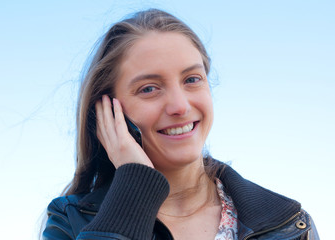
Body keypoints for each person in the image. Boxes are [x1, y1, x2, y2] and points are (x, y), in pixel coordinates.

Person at [42, 9, 319, 240]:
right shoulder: (69, 221)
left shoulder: (291, 224)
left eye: (191, 80)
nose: (180, 106)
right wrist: (135, 185)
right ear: (107, 111)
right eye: (149, 88)